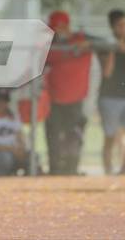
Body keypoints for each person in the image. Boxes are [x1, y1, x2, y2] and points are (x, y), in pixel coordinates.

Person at [44, 10, 92, 175]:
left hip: (76, 100)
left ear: (66, 26)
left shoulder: (81, 39)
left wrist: (85, 44)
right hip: (54, 100)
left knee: (74, 137)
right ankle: (55, 170)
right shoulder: (49, 45)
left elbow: (104, 42)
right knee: (53, 137)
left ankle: (72, 169)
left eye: (58, 28)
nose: (55, 32)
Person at [97, 9, 125, 174]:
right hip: (109, 97)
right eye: (120, 25)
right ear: (113, 27)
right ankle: (108, 172)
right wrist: (114, 50)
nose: (123, 28)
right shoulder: (106, 45)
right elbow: (107, 72)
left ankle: (124, 171)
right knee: (109, 136)